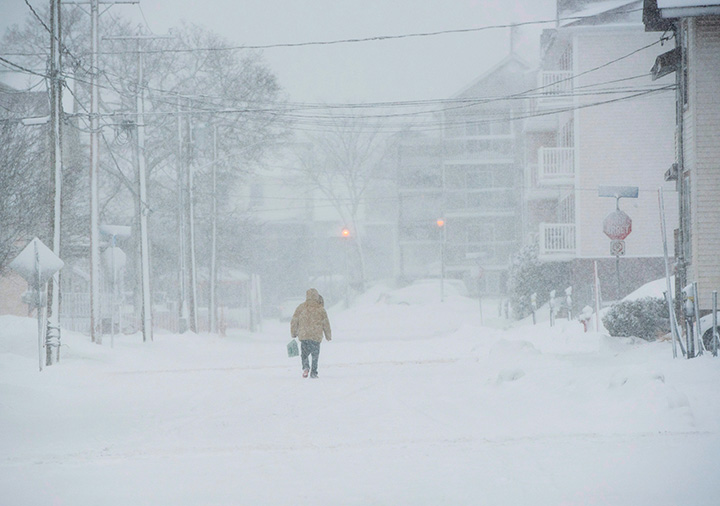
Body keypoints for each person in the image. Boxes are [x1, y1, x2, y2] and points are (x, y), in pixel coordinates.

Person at [290, 288, 331, 378]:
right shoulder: (320, 309)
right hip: (316, 336)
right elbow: (325, 323)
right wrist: (328, 335)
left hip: (304, 335)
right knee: (315, 355)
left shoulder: (301, 307)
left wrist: (293, 332)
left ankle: (305, 367)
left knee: (304, 354)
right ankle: (314, 372)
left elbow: (294, 320)